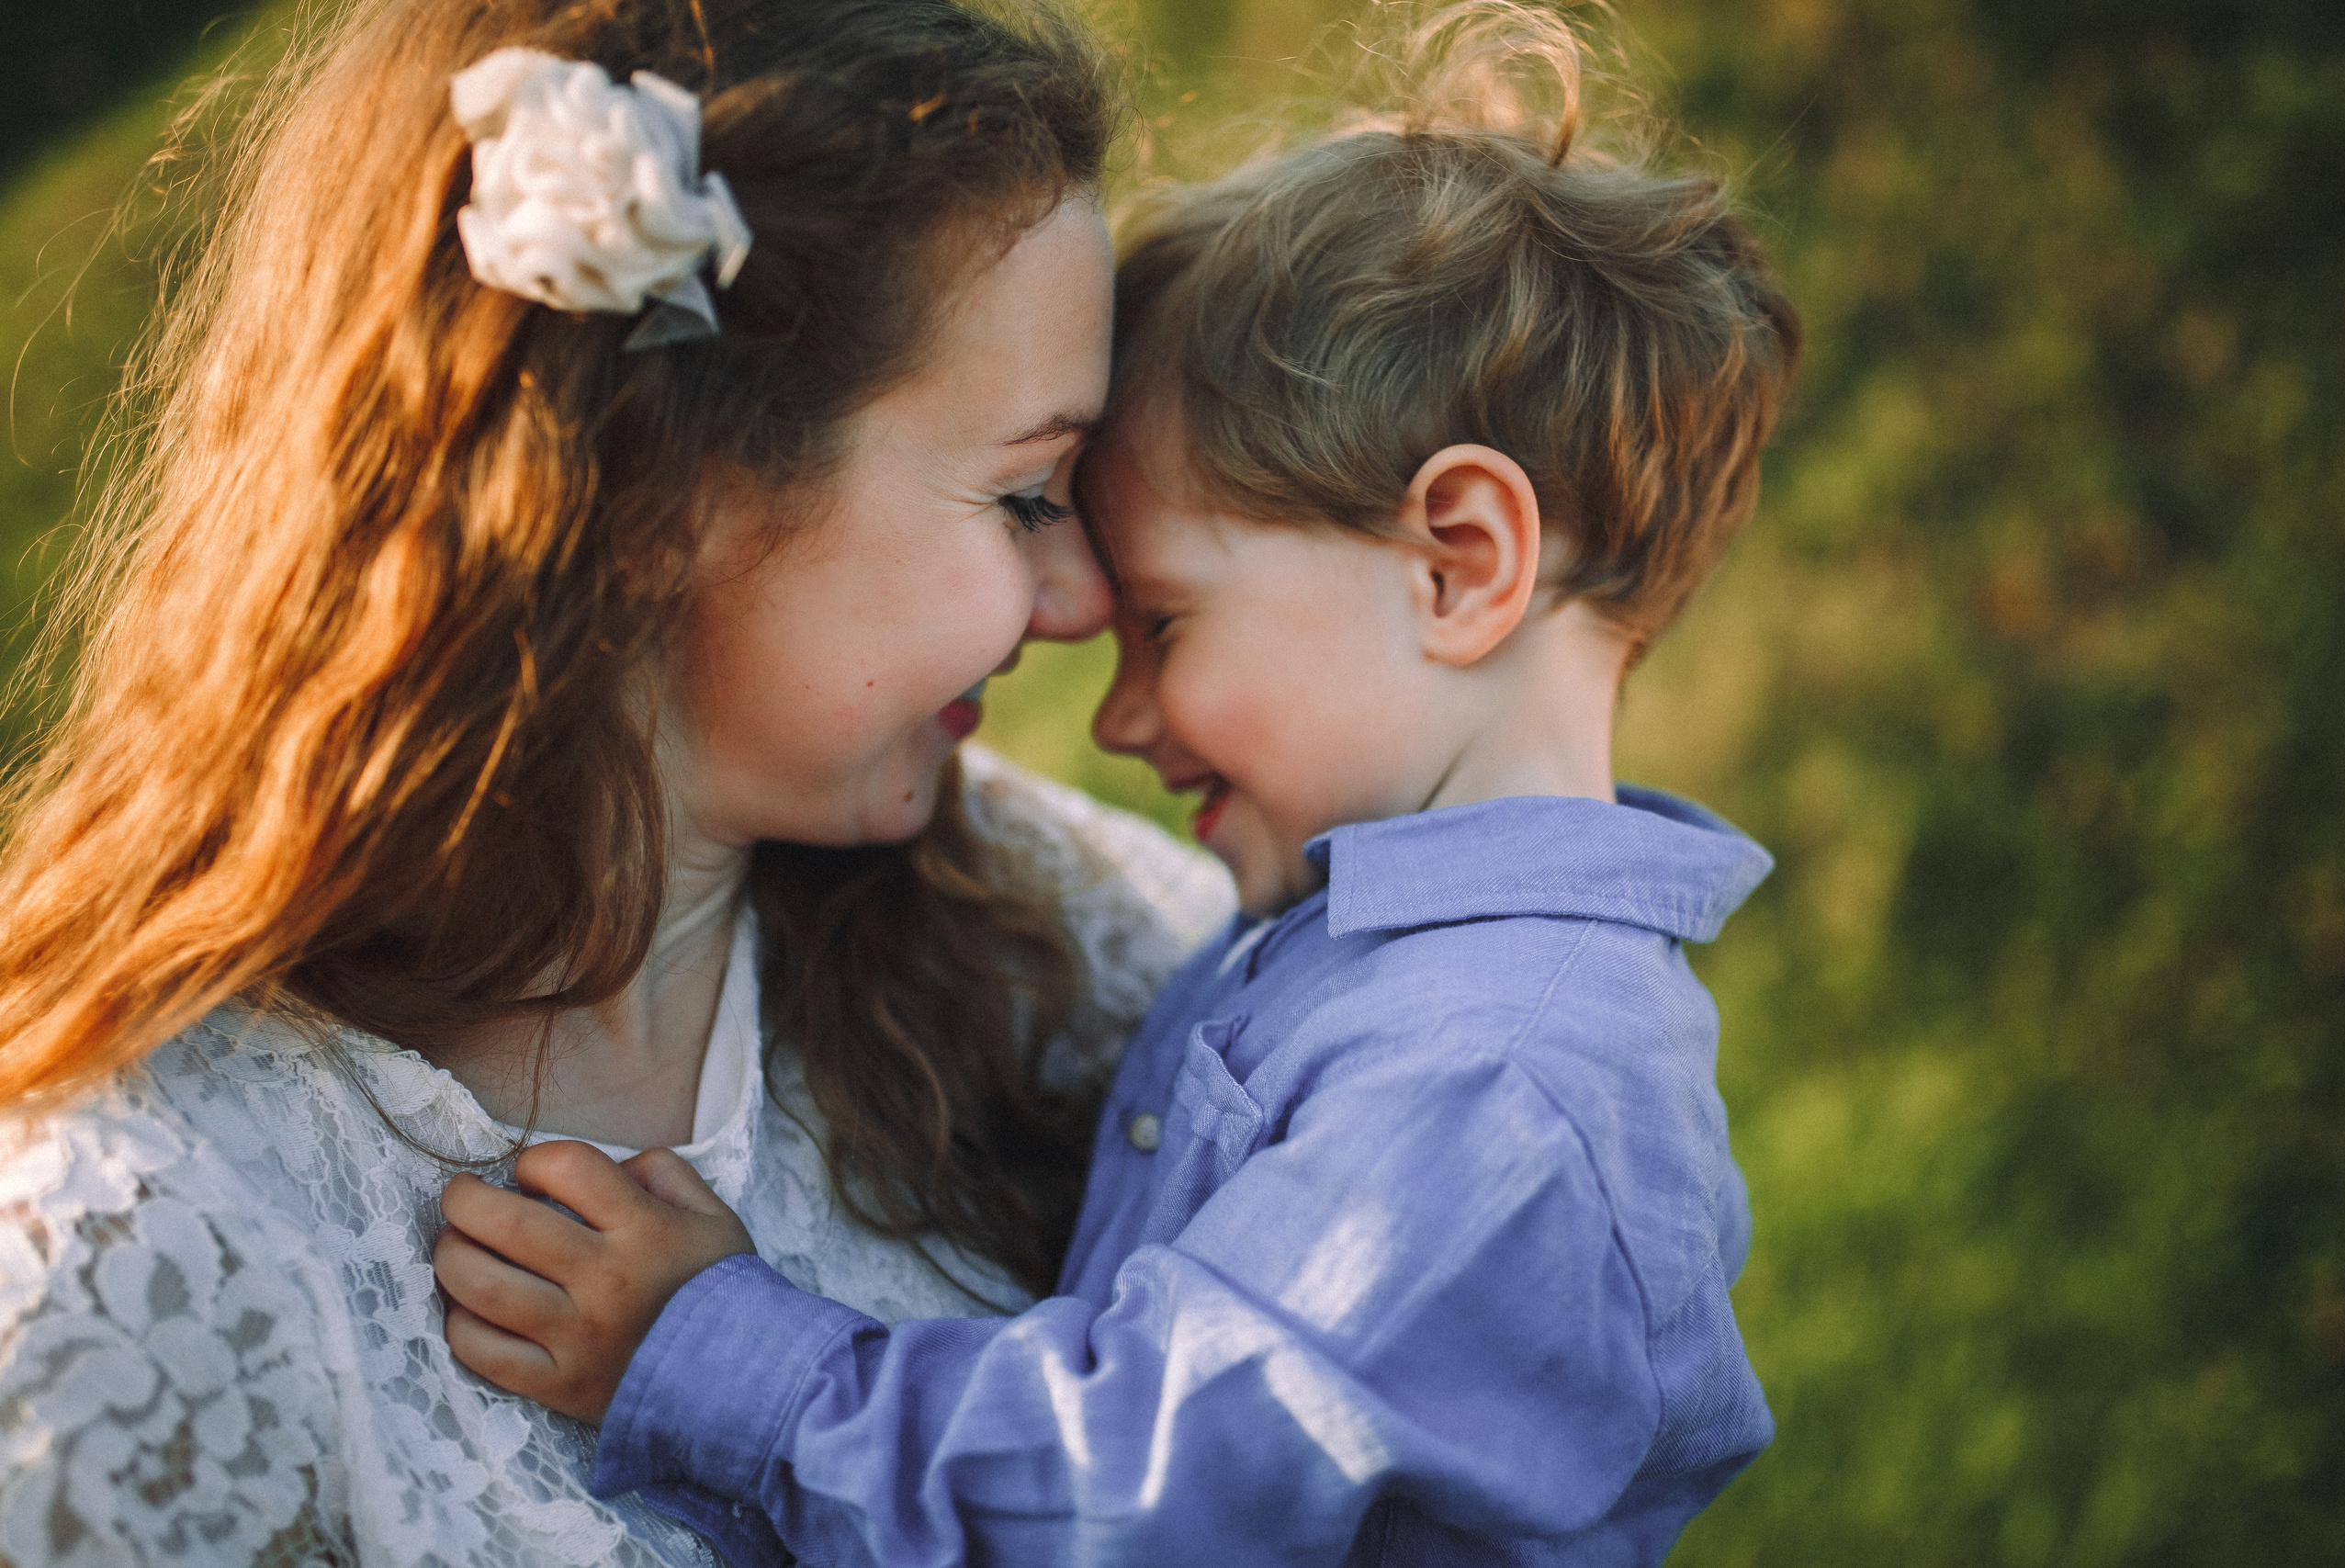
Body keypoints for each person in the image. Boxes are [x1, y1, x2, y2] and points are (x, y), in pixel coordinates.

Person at [431, 4, 1803, 1562]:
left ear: (1459, 564)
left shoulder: (1499, 1086)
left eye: (1166, 623)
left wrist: (723, 1366)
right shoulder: (1397, 975)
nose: (1116, 712)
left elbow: (1148, 1493)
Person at [0, 1, 1235, 1564]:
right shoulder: (131, 1264)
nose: (1077, 601)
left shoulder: (1059, 939)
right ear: (669, 489)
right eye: (1026, 494)